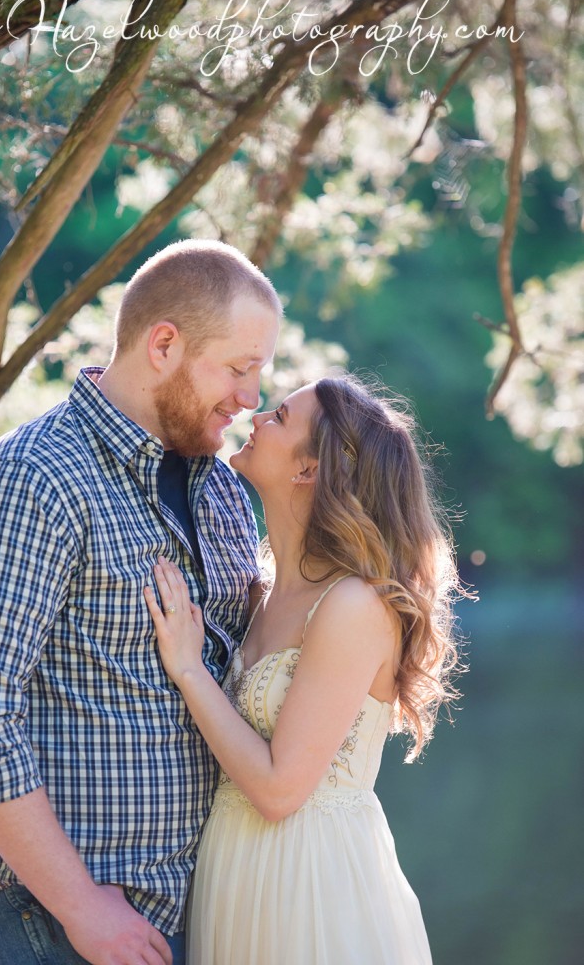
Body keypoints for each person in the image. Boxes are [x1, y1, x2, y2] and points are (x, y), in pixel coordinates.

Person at [0, 238, 282, 965]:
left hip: (197, 914)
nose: (252, 398)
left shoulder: (219, 488)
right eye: (240, 369)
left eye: (260, 374)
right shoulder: (33, 479)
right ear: (164, 344)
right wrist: (81, 906)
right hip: (53, 927)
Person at [144, 374, 463, 965]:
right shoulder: (259, 590)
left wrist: (189, 670)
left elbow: (278, 788)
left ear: (308, 470)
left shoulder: (351, 604)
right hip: (234, 874)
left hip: (312, 887)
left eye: (281, 418)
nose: (258, 416)